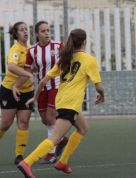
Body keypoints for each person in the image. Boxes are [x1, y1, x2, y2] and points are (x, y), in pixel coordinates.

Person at [17, 28, 105, 178]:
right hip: (70, 103)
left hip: (63, 100)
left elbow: (44, 79)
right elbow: (98, 86)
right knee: (54, 138)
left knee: (83, 128)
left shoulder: (65, 58)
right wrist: (102, 95)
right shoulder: (89, 60)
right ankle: (27, 162)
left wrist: (36, 97)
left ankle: (63, 162)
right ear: (84, 42)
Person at [13, 21, 68, 163]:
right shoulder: (32, 51)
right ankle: (61, 138)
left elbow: (68, 62)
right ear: (37, 34)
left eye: (48, 30)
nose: (47, 33)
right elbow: (27, 71)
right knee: (45, 120)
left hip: (57, 86)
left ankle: (51, 152)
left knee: (50, 118)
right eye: (43, 31)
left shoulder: (58, 46)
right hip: (41, 88)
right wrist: (16, 86)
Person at [0, 22, 34, 165]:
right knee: (6, 124)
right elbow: (12, 67)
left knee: (24, 122)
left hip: (26, 91)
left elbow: (33, 68)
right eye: (22, 30)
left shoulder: (32, 49)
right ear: (16, 33)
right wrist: (28, 75)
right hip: (8, 90)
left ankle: (19, 156)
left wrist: (30, 76)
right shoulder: (15, 49)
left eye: (26, 29)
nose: (25, 32)